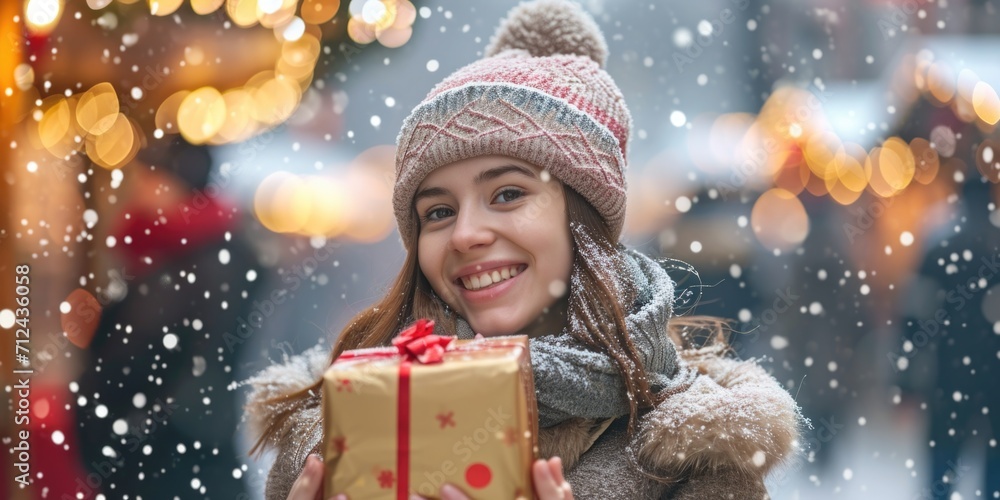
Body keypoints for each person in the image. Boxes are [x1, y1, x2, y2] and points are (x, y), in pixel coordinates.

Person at [245, 1, 803, 498]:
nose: (465, 234)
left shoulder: (692, 455)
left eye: (507, 194)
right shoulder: (338, 431)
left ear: (581, 215)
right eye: (438, 212)